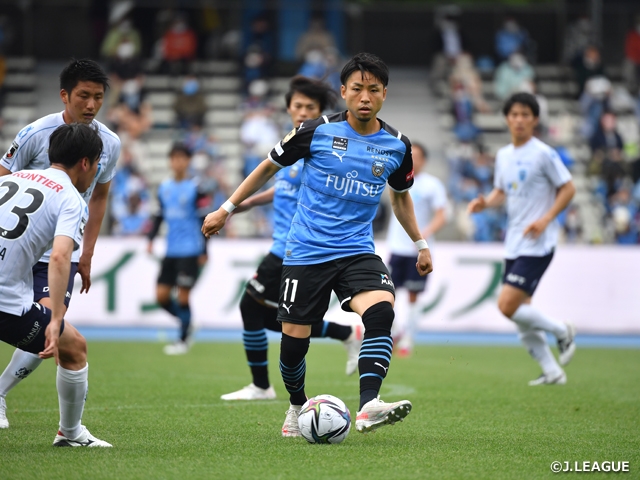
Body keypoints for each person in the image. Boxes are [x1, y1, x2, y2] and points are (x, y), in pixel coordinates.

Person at [202, 53, 433, 435]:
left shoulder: (396, 146)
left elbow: (401, 196)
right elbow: (267, 167)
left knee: (381, 311)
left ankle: (369, 405)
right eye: (357, 88)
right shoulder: (315, 130)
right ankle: (295, 406)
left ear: (384, 95)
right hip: (306, 252)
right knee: (294, 342)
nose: (364, 96)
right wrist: (227, 208)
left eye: (373, 90)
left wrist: (421, 243)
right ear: (343, 92)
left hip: (357, 251)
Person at [220, 76, 362, 401]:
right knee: (276, 320)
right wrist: (244, 204)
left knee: (251, 307)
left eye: (310, 107)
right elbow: (282, 189)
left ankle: (261, 386)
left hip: (296, 248)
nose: (302, 112)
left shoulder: (320, 147)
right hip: (282, 246)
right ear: (287, 108)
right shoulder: (292, 144)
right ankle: (344, 334)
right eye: (297, 105)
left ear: (321, 112)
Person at [0, 59, 121, 429]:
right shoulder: (35, 133)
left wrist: (88, 253)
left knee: (55, 322)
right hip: (30, 247)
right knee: (57, 331)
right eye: (83, 96)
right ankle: (70, 432)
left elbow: (99, 198)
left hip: (58, 250)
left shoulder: (109, 143)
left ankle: (0, 392)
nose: (90, 105)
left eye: (98, 98)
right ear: (65, 95)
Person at [467, 92, 577, 386]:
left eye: (525, 115)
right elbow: (501, 191)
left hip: (538, 243)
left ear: (535, 119)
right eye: (514, 114)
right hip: (514, 241)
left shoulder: (543, 153)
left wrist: (545, 219)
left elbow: (568, 189)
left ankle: (561, 330)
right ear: (506, 119)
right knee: (520, 312)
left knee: (507, 306)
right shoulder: (504, 155)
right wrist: (485, 203)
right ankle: (552, 372)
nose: (519, 120)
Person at [147, 143, 209, 355]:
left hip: (191, 250)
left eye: (182, 158)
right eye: (174, 158)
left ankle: (183, 340)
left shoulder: (196, 187)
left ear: (188, 161)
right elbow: (158, 216)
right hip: (171, 250)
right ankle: (187, 322)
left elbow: (204, 219)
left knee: (183, 297)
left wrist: (204, 250)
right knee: (161, 296)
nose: (178, 162)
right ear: (170, 161)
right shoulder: (164, 187)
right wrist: (151, 239)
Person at [386, 143, 447, 357]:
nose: (414, 160)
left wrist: (426, 233)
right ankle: (393, 334)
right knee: (387, 294)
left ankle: (408, 340)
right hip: (396, 247)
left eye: (418, 157)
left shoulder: (432, 185)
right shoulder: (396, 178)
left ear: (425, 160)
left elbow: (442, 214)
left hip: (417, 250)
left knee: (413, 296)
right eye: (411, 156)